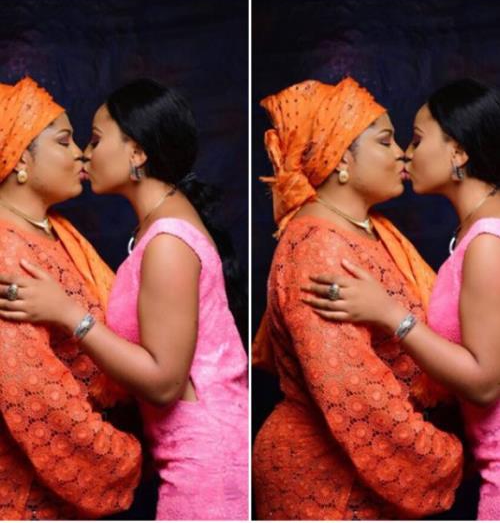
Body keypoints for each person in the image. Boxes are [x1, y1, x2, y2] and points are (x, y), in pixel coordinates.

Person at [0, 79, 248, 520]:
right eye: (71, 141)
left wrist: (68, 314)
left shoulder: (167, 239)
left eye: (94, 140)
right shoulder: (155, 227)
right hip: (180, 451)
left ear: (136, 153)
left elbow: (165, 382)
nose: (84, 154)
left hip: (205, 457)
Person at [252, 77, 463, 520]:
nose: (401, 153)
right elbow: (351, 392)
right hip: (327, 482)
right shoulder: (319, 247)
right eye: (385, 141)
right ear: (342, 157)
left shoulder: (366, 229)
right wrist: (444, 456)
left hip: (358, 472)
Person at [303, 78, 500, 520]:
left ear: (458, 152)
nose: (406, 154)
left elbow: (486, 382)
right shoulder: (479, 229)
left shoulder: (489, 240)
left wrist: (390, 314)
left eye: (416, 139)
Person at [0, 76, 141, 520]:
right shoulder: (5, 248)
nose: (80, 152)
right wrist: (122, 457)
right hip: (28, 491)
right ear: (21, 156)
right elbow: (29, 391)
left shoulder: (54, 231)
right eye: (64, 141)